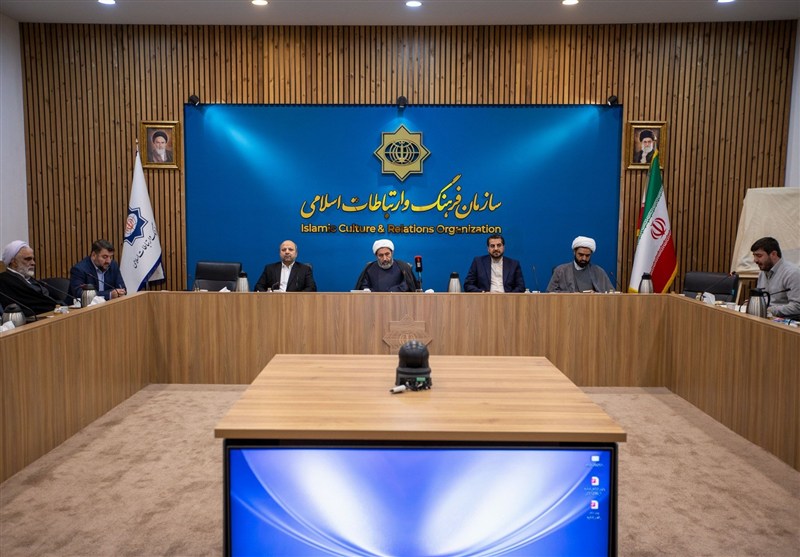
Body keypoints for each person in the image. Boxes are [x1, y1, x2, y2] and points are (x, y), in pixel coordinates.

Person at [0, 240, 58, 317]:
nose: (33, 263)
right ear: (14, 262)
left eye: (33, 259)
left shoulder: (29, 279)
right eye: (28, 259)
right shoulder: (4, 280)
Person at [750, 236, 800, 319]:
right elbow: (763, 298)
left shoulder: (792, 273)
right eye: (754, 256)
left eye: (759, 256)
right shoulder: (763, 272)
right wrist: (754, 304)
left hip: (784, 322)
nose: (755, 260)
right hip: (765, 318)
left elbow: (797, 306)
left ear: (773, 254)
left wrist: (769, 310)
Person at [547, 236, 614, 293]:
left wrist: (595, 295)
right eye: (581, 255)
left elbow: (611, 294)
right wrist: (573, 295)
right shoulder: (560, 271)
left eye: (587, 255)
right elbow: (550, 293)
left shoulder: (599, 272)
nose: (584, 258)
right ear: (574, 252)